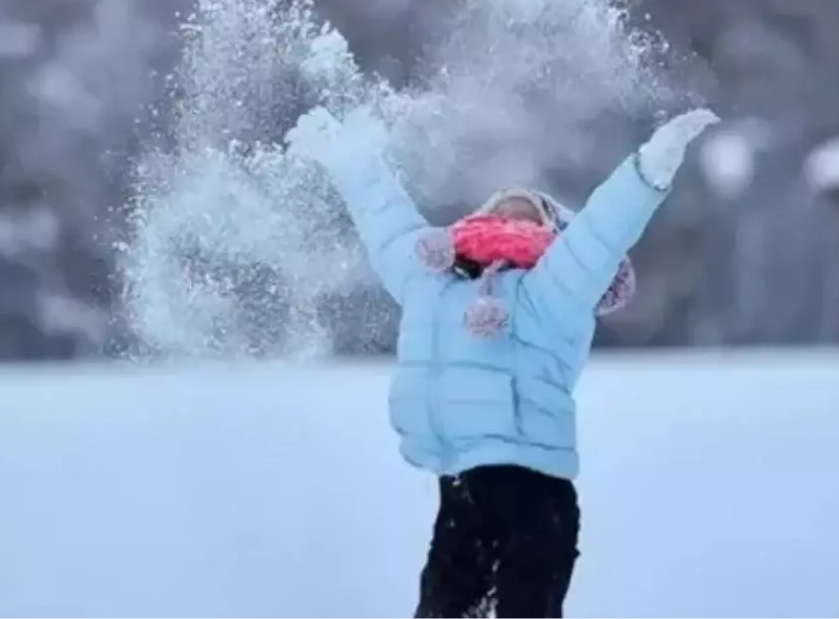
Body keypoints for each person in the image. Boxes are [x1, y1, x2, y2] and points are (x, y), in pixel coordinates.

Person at [288, 105, 720, 619]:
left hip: (534, 498)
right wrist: (347, 156)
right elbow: (386, 220)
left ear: (555, 235)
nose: (512, 220)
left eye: (529, 215)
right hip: (460, 492)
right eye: (502, 212)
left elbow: (601, 232)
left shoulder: (553, 289)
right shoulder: (432, 282)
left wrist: (649, 168)